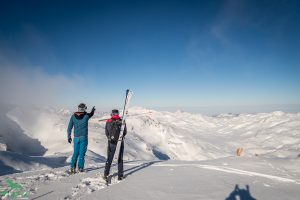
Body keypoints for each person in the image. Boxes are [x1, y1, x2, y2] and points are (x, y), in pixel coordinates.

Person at [67, 103, 95, 173]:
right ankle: (80, 168)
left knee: (75, 153)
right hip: (83, 138)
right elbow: (91, 114)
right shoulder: (86, 116)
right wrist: (93, 110)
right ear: (84, 109)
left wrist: (69, 137)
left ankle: (72, 168)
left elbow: (69, 128)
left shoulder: (73, 116)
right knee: (81, 154)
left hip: (76, 138)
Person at [104, 109, 127, 180]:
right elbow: (125, 132)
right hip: (120, 143)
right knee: (120, 159)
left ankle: (106, 174)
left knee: (109, 159)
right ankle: (120, 175)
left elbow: (106, 132)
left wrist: (109, 138)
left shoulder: (108, 122)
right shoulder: (122, 121)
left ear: (112, 114)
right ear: (118, 114)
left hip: (111, 143)